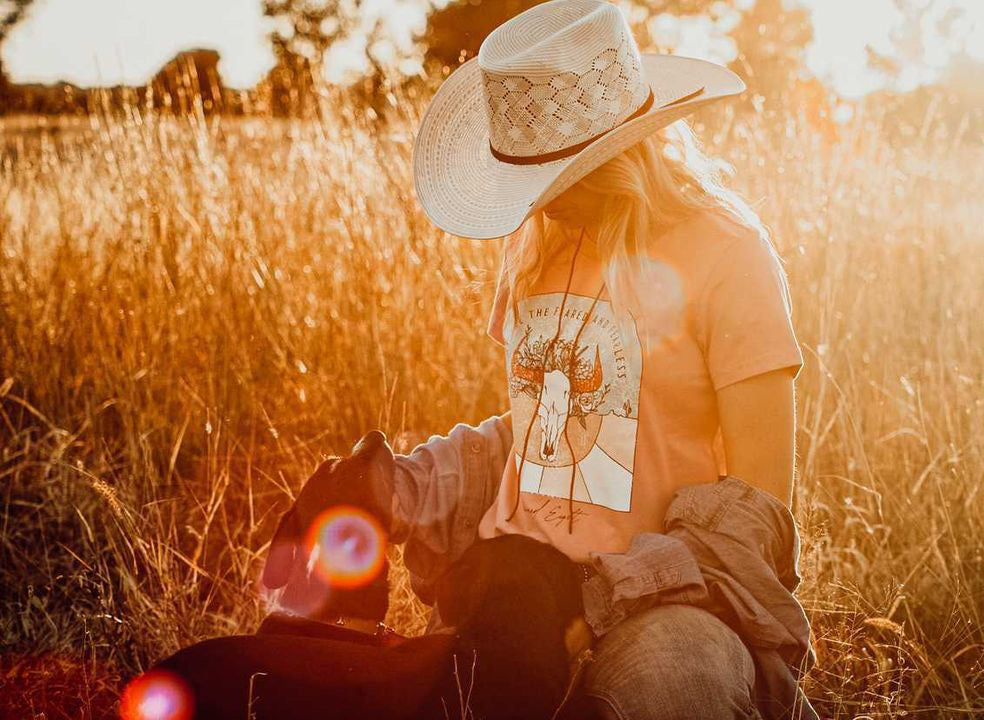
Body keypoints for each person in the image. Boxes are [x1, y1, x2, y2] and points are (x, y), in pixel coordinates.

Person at [268, 1, 816, 718]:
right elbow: (546, 441)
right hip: (516, 591)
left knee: (675, 686)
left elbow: (758, 513)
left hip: (671, 604)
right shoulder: (539, 248)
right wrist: (399, 487)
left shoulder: (728, 252)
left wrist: (599, 607)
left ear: (619, 148)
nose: (534, 204)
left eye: (555, 179)